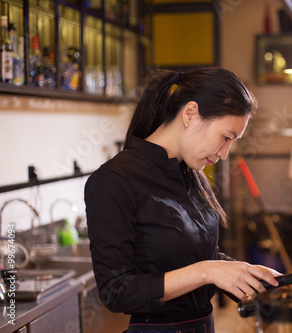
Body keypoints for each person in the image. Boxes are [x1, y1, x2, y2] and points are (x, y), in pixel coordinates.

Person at [84, 67, 280, 333]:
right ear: (190, 114)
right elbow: (116, 291)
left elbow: (193, 253)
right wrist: (207, 271)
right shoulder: (114, 180)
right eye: (225, 138)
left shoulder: (190, 174)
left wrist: (246, 274)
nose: (224, 153)